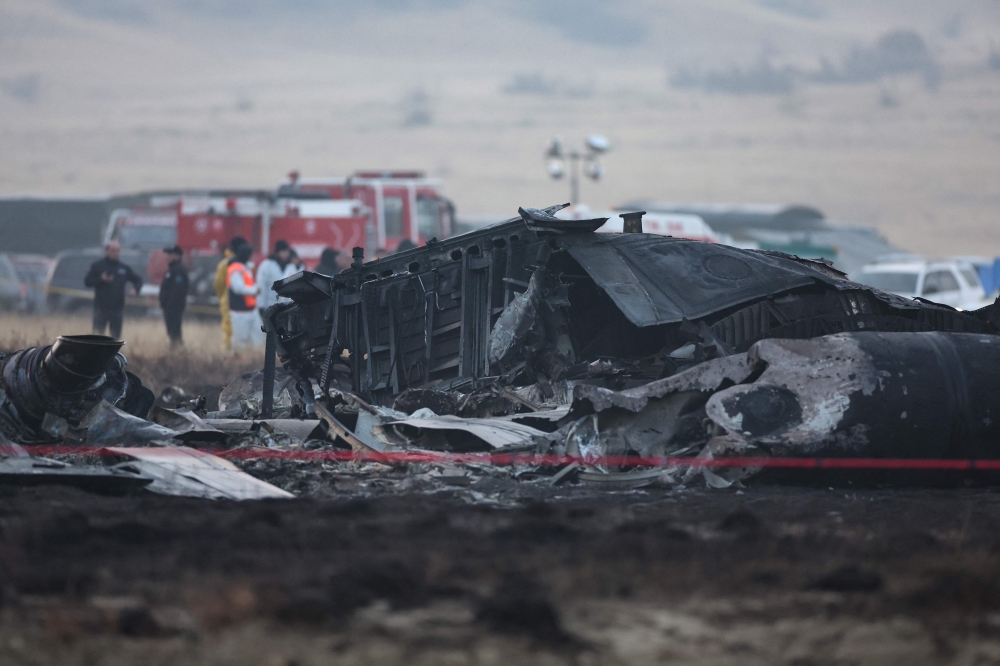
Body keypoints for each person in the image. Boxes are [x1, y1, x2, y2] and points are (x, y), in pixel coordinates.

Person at [84, 240, 142, 339]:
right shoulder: (97, 266)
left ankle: (114, 354)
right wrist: (101, 279)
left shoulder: (123, 268)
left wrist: (135, 290)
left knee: (116, 337)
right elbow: (87, 282)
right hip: (101, 308)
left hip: (117, 308)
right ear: (107, 251)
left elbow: (138, 280)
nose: (116, 253)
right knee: (97, 336)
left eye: (118, 250)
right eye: (113, 250)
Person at [214, 237, 247, 352]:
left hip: (228, 301)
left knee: (230, 330)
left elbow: (218, 285)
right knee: (231, 331)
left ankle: (230, 355)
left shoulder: (224, 264)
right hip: (235, 303)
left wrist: (222, 298)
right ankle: (228, 355)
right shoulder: (243, 264)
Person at [227, 243, 260, 351]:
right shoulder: (235, 268)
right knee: (240, 341)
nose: (252, 257)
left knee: (258, 338)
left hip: (250, 309)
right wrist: (255, 290)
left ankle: (254, 361)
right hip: (239, 311)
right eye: (251, 254)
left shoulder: (244, 267)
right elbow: (238, 288)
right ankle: (239, 363)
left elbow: (248, 284)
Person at [255, 239, 297, 316]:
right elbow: (261, 286)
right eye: (283, 251)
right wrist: (260, 306)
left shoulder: (290, 267)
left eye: (287, 251)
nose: (285, 254)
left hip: (288, 308)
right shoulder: (266, 266)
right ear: (277, 252)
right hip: (270, 307)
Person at [158, 245, 189, 348]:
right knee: (171, 331)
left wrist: (170, 304)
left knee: (175, 331)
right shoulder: (172, 270)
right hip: (169, 308)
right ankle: (176, 349)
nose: (168, 256)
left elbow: (178, 291)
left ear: (178, 256)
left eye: (170, 254)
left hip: (174, 308)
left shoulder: (178, 270)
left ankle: (178, 350)